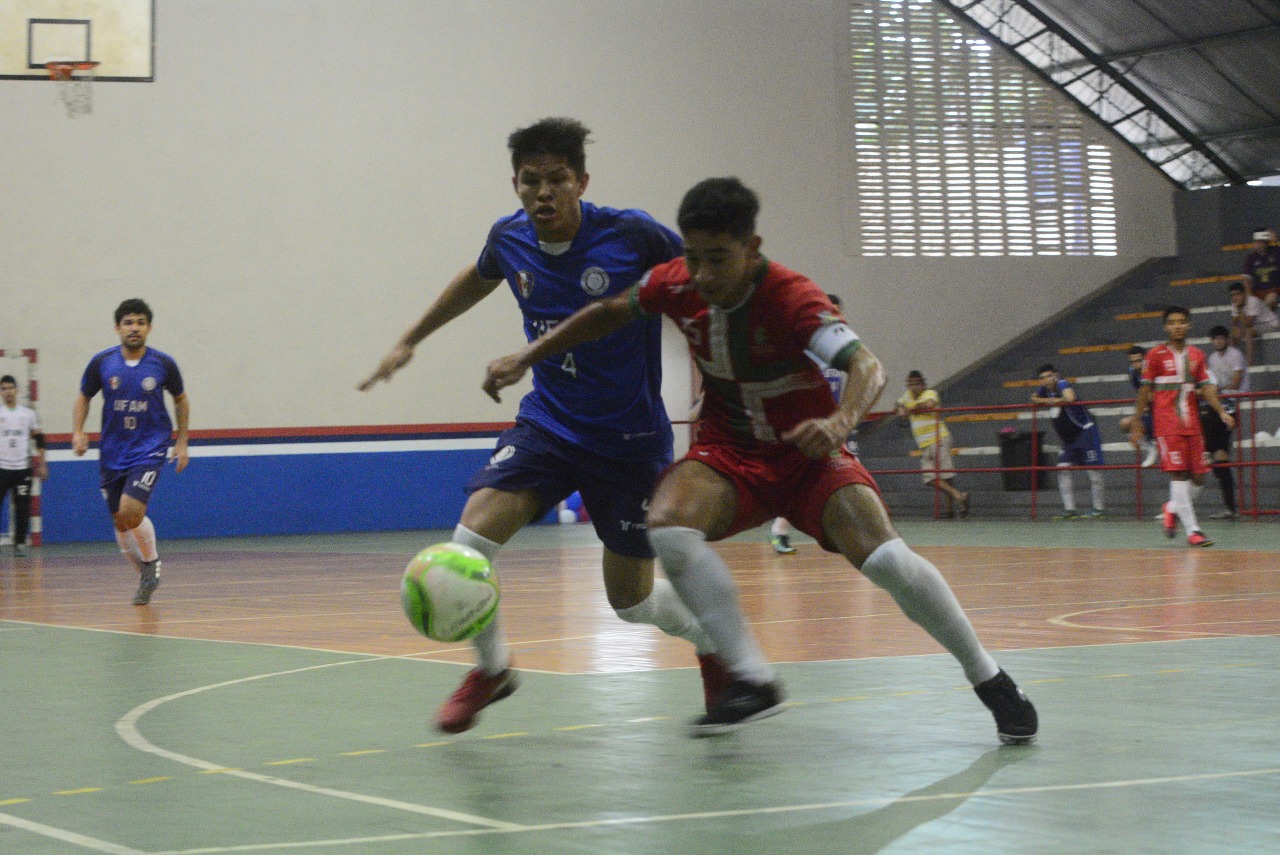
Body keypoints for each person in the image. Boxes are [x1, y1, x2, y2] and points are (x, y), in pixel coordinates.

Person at [484, 177, 1037, 744]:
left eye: (717, 259)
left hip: (808, 458)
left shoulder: (793, 297)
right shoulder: (678, 284)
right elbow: (606, 313)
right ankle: (752, 679)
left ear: (753, 247)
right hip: (729, 455)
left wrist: (842, 422)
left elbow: (867, 367)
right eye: (693, 258)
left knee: (888, 563)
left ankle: (990, 679)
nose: (702, 275)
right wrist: (529, 355)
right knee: (668, 526)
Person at [357, 118, 720, 734]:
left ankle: (712, 643)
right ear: (516, 185)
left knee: (631, 606)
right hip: (549, 426)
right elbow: (476, 278)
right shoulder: (510, 238)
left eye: (557, 179)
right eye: (530, 181)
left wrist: (718, 369)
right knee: (464, 547)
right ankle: (493, 669)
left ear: (582, 181)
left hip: (629, 442)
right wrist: (409, 340)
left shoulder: (630, 234)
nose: (543, 192)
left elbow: (703, 283)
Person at [72, 299, 190, 604]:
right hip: (113, 451)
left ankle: (151, 564)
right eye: (128, 322)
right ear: (117, 328)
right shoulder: (103, 363)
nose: (134, 327)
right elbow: (84, 397)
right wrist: (78, 431)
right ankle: (144, 578)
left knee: (130, 511)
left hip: (149, 448)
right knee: (119, 520)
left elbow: (180, 400)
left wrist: (181, 441)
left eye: (140, 322)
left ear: (149, 327)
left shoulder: (162, 364)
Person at [1131, 306, 1235, 547]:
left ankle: (1172, 507)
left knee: (1199, 477)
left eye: (1181, 322)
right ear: (1166, 327)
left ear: (1188, 325)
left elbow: (1207, 387)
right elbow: (1145, 390)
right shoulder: (1155, 356)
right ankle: (1193, 530)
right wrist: (1138, 422)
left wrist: (1221, 411)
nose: (1177, 326)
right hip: (1167, 424)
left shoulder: (1197, 355)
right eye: (1172, 323)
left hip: (1192, 424)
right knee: (1178, 474)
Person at [769, 292, 860, 552]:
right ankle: (781, 528)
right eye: (832, 311)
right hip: (812, 423)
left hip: (834, 423)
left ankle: (782, 529)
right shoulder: (808, 348)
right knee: (828, 474)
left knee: (840, 473)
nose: (837, 318)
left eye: (840, 313)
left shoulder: (843, 351)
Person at [1031, 364, 1105, 519]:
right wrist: (1046, 399)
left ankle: (1099, 509)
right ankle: (1070, 509)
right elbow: (1033, 399)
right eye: (1042, 378)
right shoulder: (1045, 390)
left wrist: (1049, 401)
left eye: (1049, 376)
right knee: (1062, 468)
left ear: (1056, 375)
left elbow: (1070, 398)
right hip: (1068, 439)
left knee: (1093, 470)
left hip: (1084, 432)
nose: (1046, 380)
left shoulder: (1062, 384)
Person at [895, 371, 970, 518]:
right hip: (924, 444)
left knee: (946, 475)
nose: (913, 387)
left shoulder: (930, 393)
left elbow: (928, 404)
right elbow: (898, 403)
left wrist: (908, 409)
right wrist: (899, 408)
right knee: (929, 478)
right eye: (910, 384)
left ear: (922, 384)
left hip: (939, 439)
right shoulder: (907, 396)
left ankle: (950, 510)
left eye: (916, 384)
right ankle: (959, 496)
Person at [0, 375, 48, 556]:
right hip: (2, 468)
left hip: (22, 469)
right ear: (1, 392)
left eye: (10, 388)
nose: (7, 392)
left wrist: (42, 464)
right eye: (3, 389)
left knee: (22, 507)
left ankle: (19, 543)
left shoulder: (27, 414)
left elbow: (39, 439)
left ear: (16, 390)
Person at [1202, 325, 1246, 519]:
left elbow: (1236, 382)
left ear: (1227, 339)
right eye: (1215, 338)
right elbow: (1210, 384)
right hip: (1216, 406)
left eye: (1221, 338)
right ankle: (1230, 507)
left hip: (1229, 405)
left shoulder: (1235, 355)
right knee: (1218, 456)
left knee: (1218, 452)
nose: (1218, 341)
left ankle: (1231, 507)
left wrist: (1217, 391)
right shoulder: (1211, 359)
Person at [1118, 345, 1158, 468]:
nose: (1136, 365)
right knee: (1125, 424)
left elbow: (1155, 395)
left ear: (1146, 359)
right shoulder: (1132, 373)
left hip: (1164, 412)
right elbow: (1141, 395)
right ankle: (1150, 448)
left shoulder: (1155, 369)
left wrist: (1148, 399)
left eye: (1139, 361)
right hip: (1149, 412)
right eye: (1132, 362)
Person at [1228, 280, 1279, 366]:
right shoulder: (1235, 304)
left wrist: (1239, 310)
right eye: (1232, 295)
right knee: (1233, 335)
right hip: (1256, 326)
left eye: (1238, 294)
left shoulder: (1252, 301)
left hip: (1270, 324)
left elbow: (1248, 323)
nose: (1235, 297)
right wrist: (1236, 330)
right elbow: (1234, 323)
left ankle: (1249, 363)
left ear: (1244, 293)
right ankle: (1233, 363)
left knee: (1249, 332)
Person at [1241, 227, 1279, 310]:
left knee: (1271, 298)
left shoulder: (1276, 251)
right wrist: (1250, 299)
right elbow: (1246, 280)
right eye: (1257, 242)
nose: (1259, 244)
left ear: (1266, 242)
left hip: (1275, 288)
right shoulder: (1251, 258)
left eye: (1262, 242)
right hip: (1259, 291)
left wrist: (1276, 240)